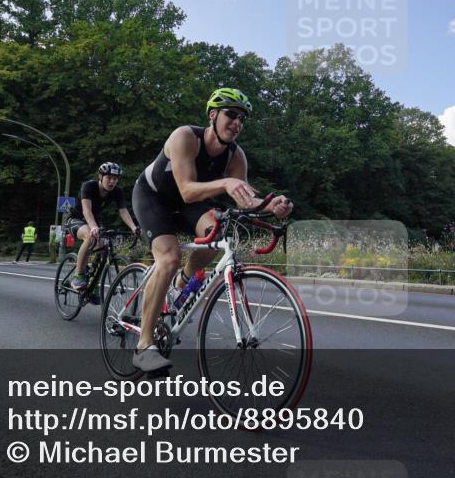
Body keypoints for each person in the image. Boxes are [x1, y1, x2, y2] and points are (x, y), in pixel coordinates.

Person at [131, 88, 293, 373]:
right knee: (169, 257)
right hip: (154, 197)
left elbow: (246, 199)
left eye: (242, 118)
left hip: (188, 204)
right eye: (231, 114)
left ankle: (181, 287)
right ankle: (144, 345)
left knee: (217, 235)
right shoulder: (185, 137)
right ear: (212, 115)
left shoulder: (236, 156)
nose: (237, 123)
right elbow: (187, 190)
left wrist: (270, 205)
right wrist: (225, 184)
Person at [66, 162, 139, 298]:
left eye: (115, 179)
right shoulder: (88, 186)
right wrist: (93, 227)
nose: (112, 181)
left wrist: (133, 227)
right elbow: (86, 210)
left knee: (104, 245)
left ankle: (94, 283)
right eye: (109, 178)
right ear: (100, 176)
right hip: (77, 218)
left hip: (95, 220)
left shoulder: (117, 191)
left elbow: (123, 211)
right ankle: (78, 275)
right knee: (90, 236)